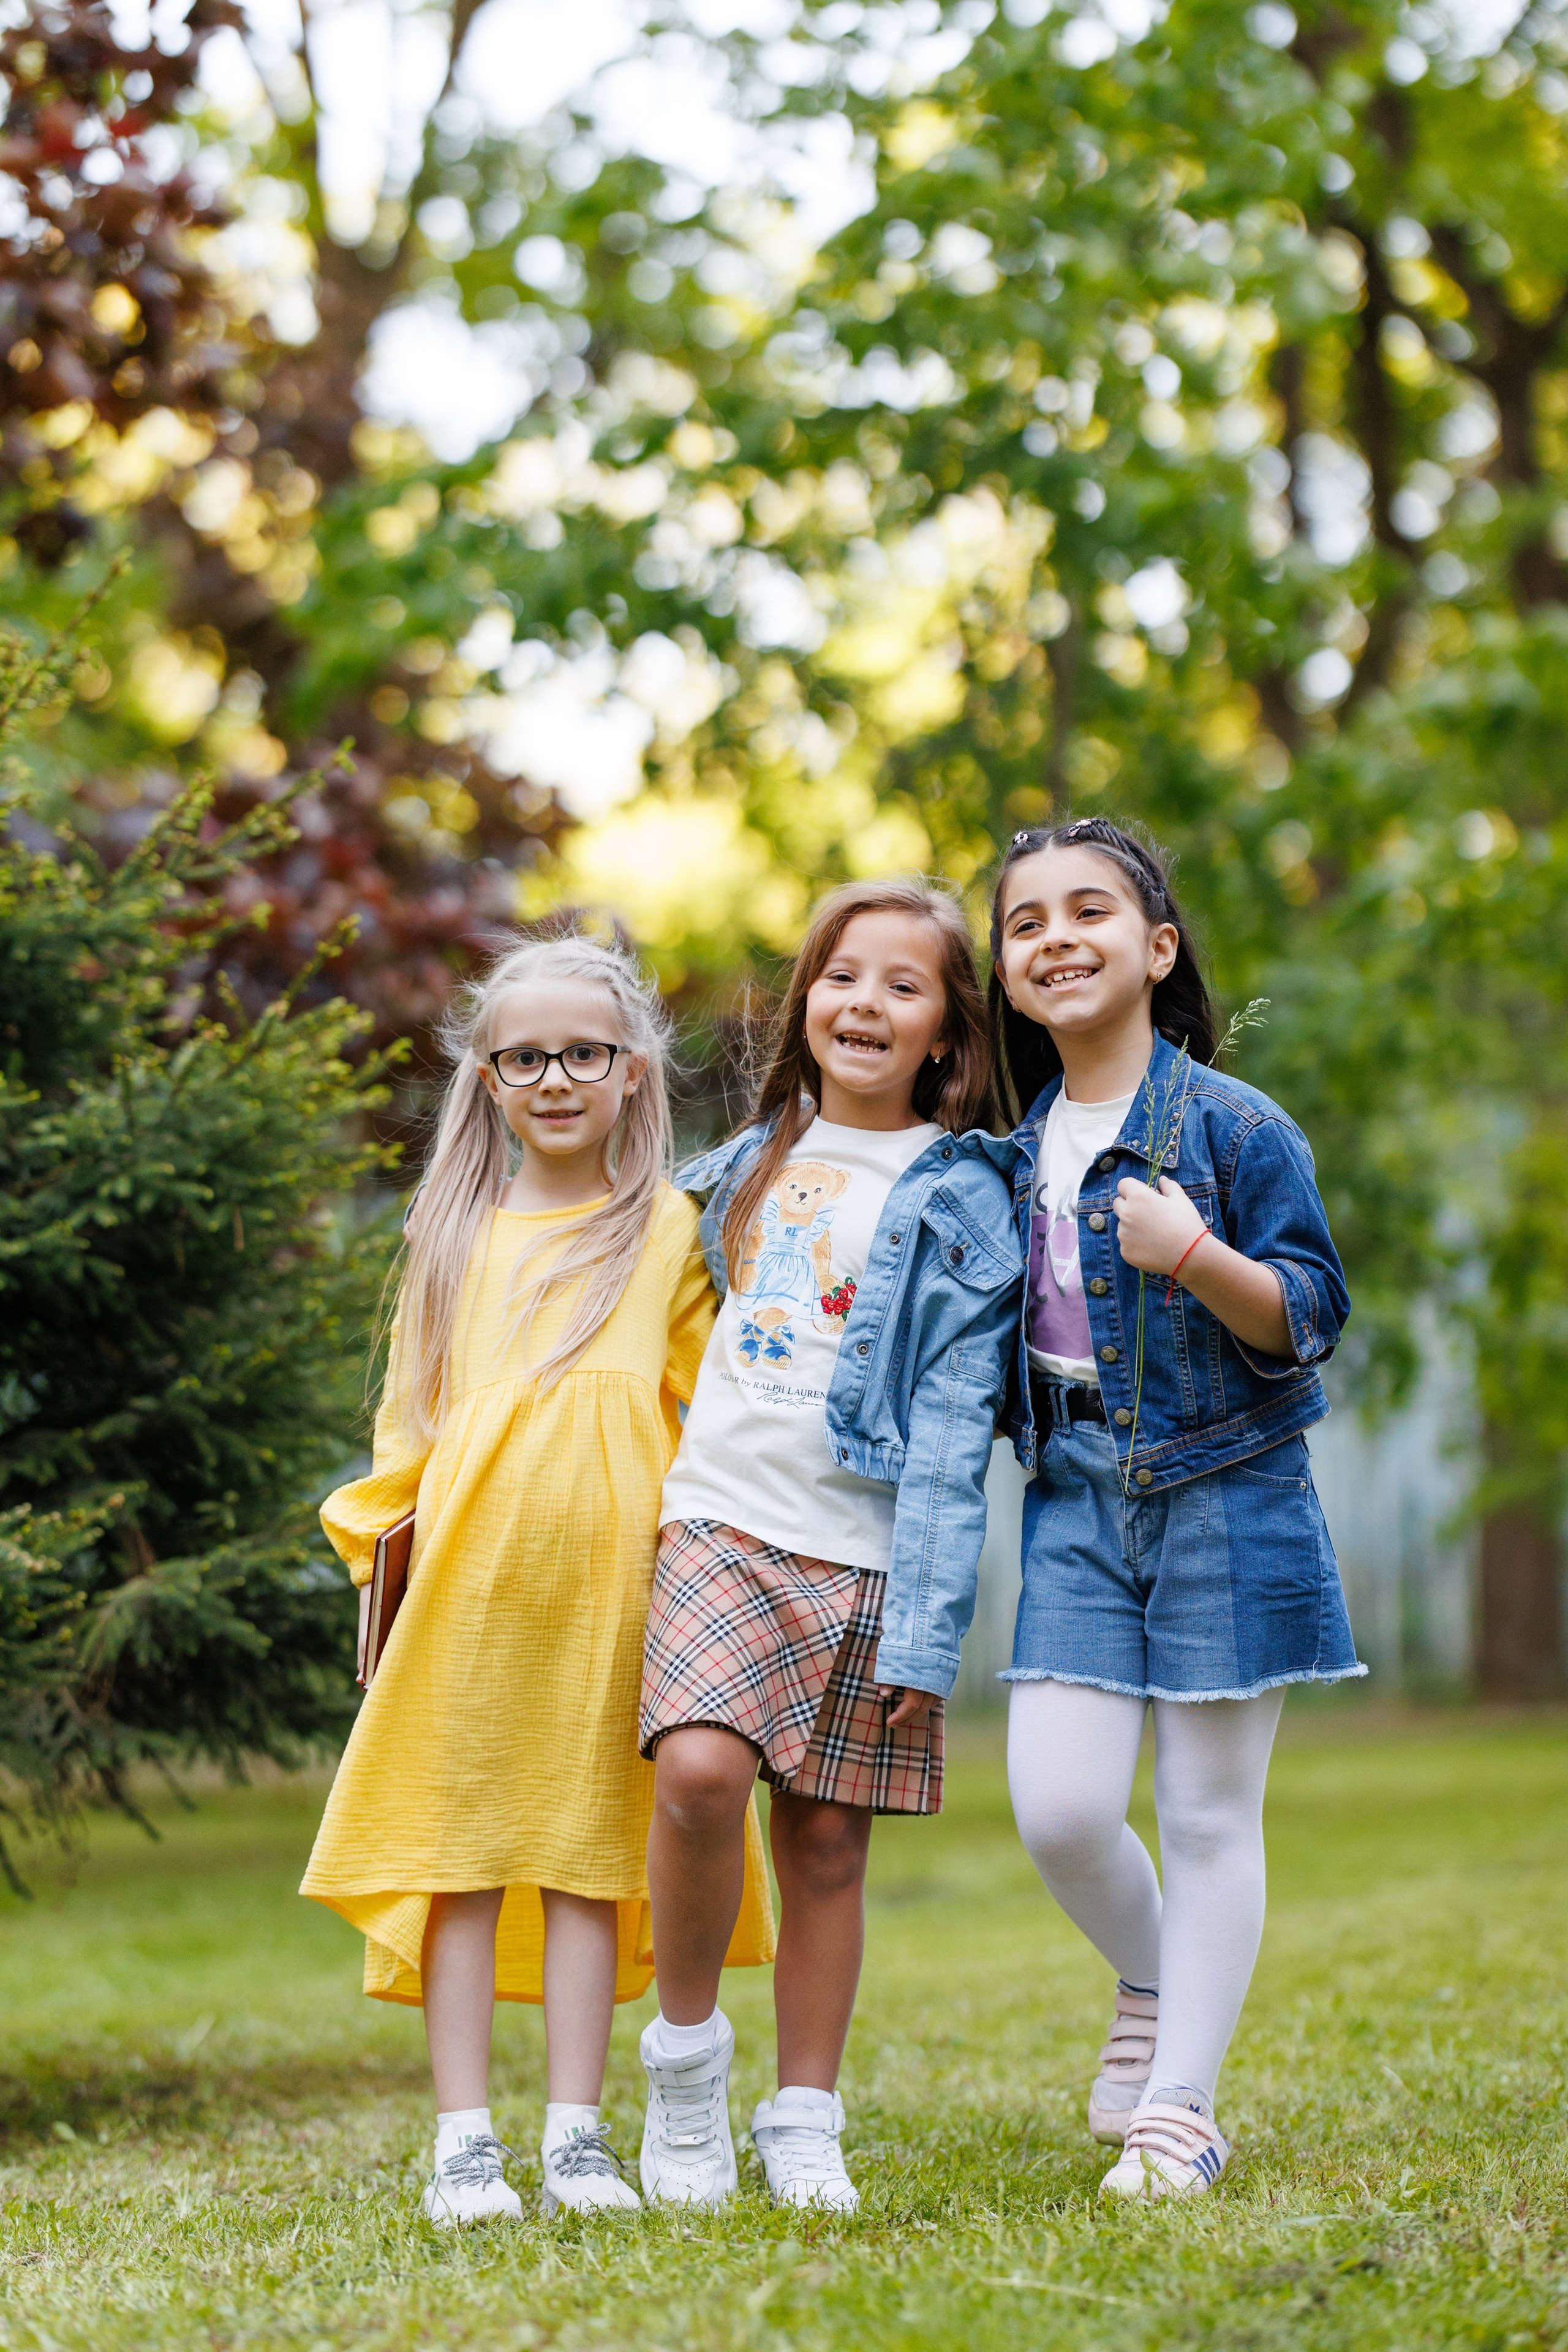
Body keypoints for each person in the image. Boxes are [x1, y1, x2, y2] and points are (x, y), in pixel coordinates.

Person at [300, 933, 773, 2227]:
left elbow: (704, 1417)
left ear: (632, 1072)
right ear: (487, 1079)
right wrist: (379, 1577)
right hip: (465, 1598)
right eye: (524, 1057)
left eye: (582, 1053)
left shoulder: (676, 1231)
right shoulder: (451, 1231)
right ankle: (464, 2144)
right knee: (455, 1854)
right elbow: (409, 1431)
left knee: (582, 1857)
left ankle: (574, 2136)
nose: (554, 1076)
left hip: (616, 1600)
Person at [990, 816, 1362, 2200]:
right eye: (1024, 924)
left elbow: (1308, 1312)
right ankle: (1150, 1978)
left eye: (1087, 911)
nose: (1054, 938)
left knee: (1206, 1816)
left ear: (1155, 950)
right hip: (1075, 1498)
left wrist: (1194, 1253)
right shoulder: (1003, 1151)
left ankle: (1182, 2108)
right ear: (1010, 976)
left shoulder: (1232, 1124)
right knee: (1061, 1810)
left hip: (1225, 1489)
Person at [637, 878, 1022, 2213]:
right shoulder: (741, 1164)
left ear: (945, 1036)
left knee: (825, 1848)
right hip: (719, 1521)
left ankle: (803, 2115)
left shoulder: (966, 1196)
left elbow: (960, 1423)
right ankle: (685, 2067)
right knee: (695, 1773)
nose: (863, 1001)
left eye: (901, 985)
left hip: (863, 1551)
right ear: (805, 1002)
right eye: (839, 975)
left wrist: (926, 1622)